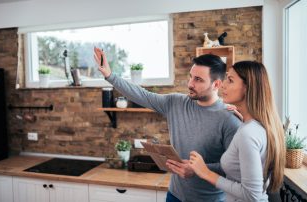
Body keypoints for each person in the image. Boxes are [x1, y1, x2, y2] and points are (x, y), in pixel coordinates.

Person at [93, 47, 241, 202]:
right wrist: (110, 76)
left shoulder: (229, 119)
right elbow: (142, 95)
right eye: (191, 77)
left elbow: (235, 169)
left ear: (216, 84)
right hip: (174, 195)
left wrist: (199, 170)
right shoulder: (175, 103)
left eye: (198, 80)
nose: (190, 84)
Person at [189, 61, 286, 202]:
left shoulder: (248, 133)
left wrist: (205, 172)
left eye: (230, 80)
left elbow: (252, 194)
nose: (223, 85)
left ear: (247, 88)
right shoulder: (257, 126)